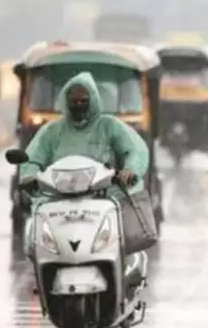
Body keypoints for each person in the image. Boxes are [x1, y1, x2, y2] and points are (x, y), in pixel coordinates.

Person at [18, 71, 151, 257]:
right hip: (59, 199)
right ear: (66, 101)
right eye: (74, 101)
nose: (78, 105)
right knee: (37, 244)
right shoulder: (52, 131)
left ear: (94, 100)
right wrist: (29, 175)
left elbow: (134, 150)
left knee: (120, 245)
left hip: (103, 198)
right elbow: (32, 157)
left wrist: (130, 170)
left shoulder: (109, 126)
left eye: (83, 101)